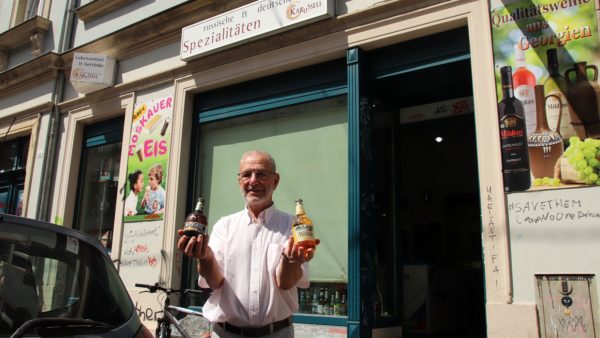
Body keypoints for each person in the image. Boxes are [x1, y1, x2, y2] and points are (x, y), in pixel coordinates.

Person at [177, 150, 318, 338]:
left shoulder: (294, 226)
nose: (253, 181)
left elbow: (285, 283)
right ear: (239, 181)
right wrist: (205, 257)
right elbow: (215, 282)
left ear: (275, 181)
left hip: (277, 333)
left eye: (261, 174)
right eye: (246, 175)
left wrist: (290, 259)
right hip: (227, 333)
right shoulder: (224, 226)